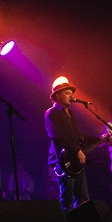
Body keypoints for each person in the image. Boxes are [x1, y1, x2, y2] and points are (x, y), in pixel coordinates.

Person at [44, 81, 91, 213]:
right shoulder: (51, 113)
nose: (71, 96)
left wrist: (100, 139)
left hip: (75, 160)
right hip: (63, 161)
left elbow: (77, 137)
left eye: (71, 93)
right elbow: (57, 135)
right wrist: (77, 150)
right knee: (67, 199)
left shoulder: (70, 113)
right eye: (67, 93)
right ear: (57, 96)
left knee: (83, 199)